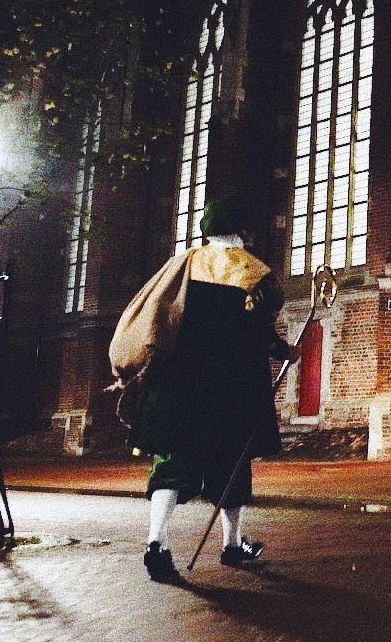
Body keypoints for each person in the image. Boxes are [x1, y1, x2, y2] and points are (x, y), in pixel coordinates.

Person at [109, 196, 288, 580]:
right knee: (233, 464)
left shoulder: (184, 263)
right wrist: (283, 348)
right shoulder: (256, 272)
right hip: (231, 388)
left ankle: (157, 544)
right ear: (242, 231)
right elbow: (259, 327)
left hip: (178, 383)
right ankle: (231, 545)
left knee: (171, 463)